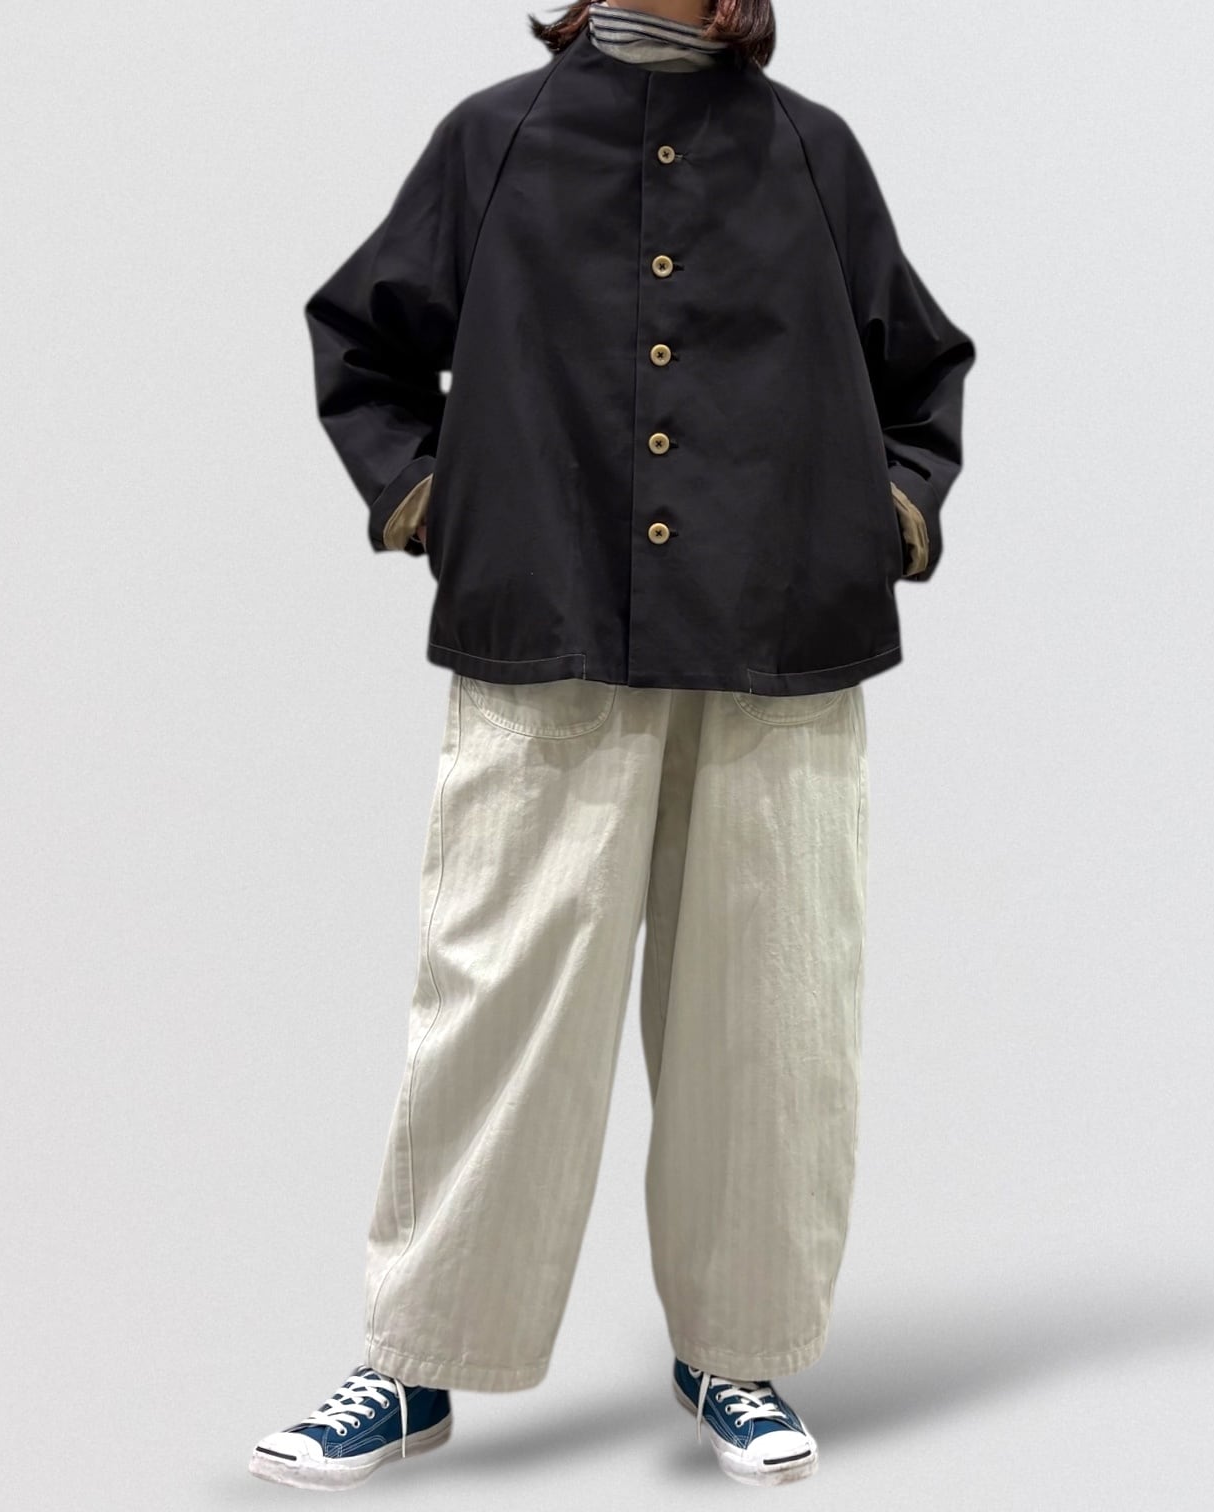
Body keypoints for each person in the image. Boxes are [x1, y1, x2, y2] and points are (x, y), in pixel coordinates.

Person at [252, 0, 975, 1490]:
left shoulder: (812, 154)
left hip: (779, 644)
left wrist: (892, 514)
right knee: (497, 1006)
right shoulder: (493, 141)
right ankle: (417, 1362)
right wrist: (432, 502)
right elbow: (364, 343)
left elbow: (922, 372)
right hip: (551, 630)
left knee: (767, 1023)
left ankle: (737, 1352)